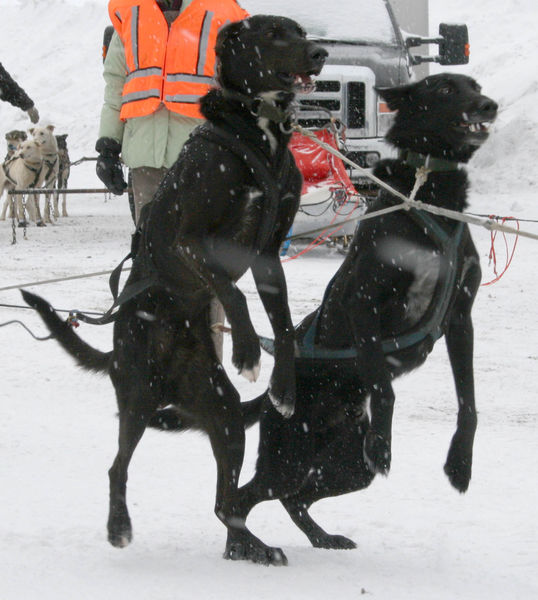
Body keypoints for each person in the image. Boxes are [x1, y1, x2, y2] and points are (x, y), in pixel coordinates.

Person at [95, 0, 249, 224]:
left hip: (203, 159)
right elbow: (116, 86)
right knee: (148, 247)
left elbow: (241, 87)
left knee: (199, 249)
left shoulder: (222, 12)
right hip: (145, 159)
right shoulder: (132, 13)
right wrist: (108, 146)